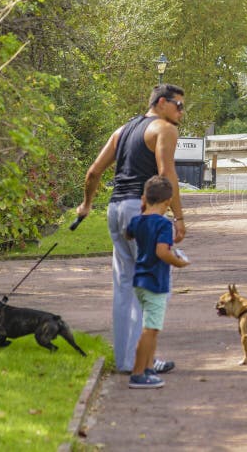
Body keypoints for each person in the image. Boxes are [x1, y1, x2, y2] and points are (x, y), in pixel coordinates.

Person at [76, 84, 187, 373]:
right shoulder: (164, 129)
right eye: (178, 105)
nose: (181, 112)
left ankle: (126, 361)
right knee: (150, 285)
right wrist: (178, 217)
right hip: (142, 209)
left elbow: (94, 171)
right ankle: (144, 361)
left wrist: (86, 205)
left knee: (124, 286)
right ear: (161, 103)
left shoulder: (122, 131)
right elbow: (166, 174)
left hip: (116, 209)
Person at [126, 176, 189, 388]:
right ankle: (138, 373)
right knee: (150, 330)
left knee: (151, 328)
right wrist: (178, 262)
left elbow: (128, 234)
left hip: (139, 280)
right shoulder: (163, 224)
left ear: (145, 198)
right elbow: (162, 251)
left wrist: (142, 209)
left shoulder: (137, 220)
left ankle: (149, 368)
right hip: (155, 282)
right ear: (168, 201)